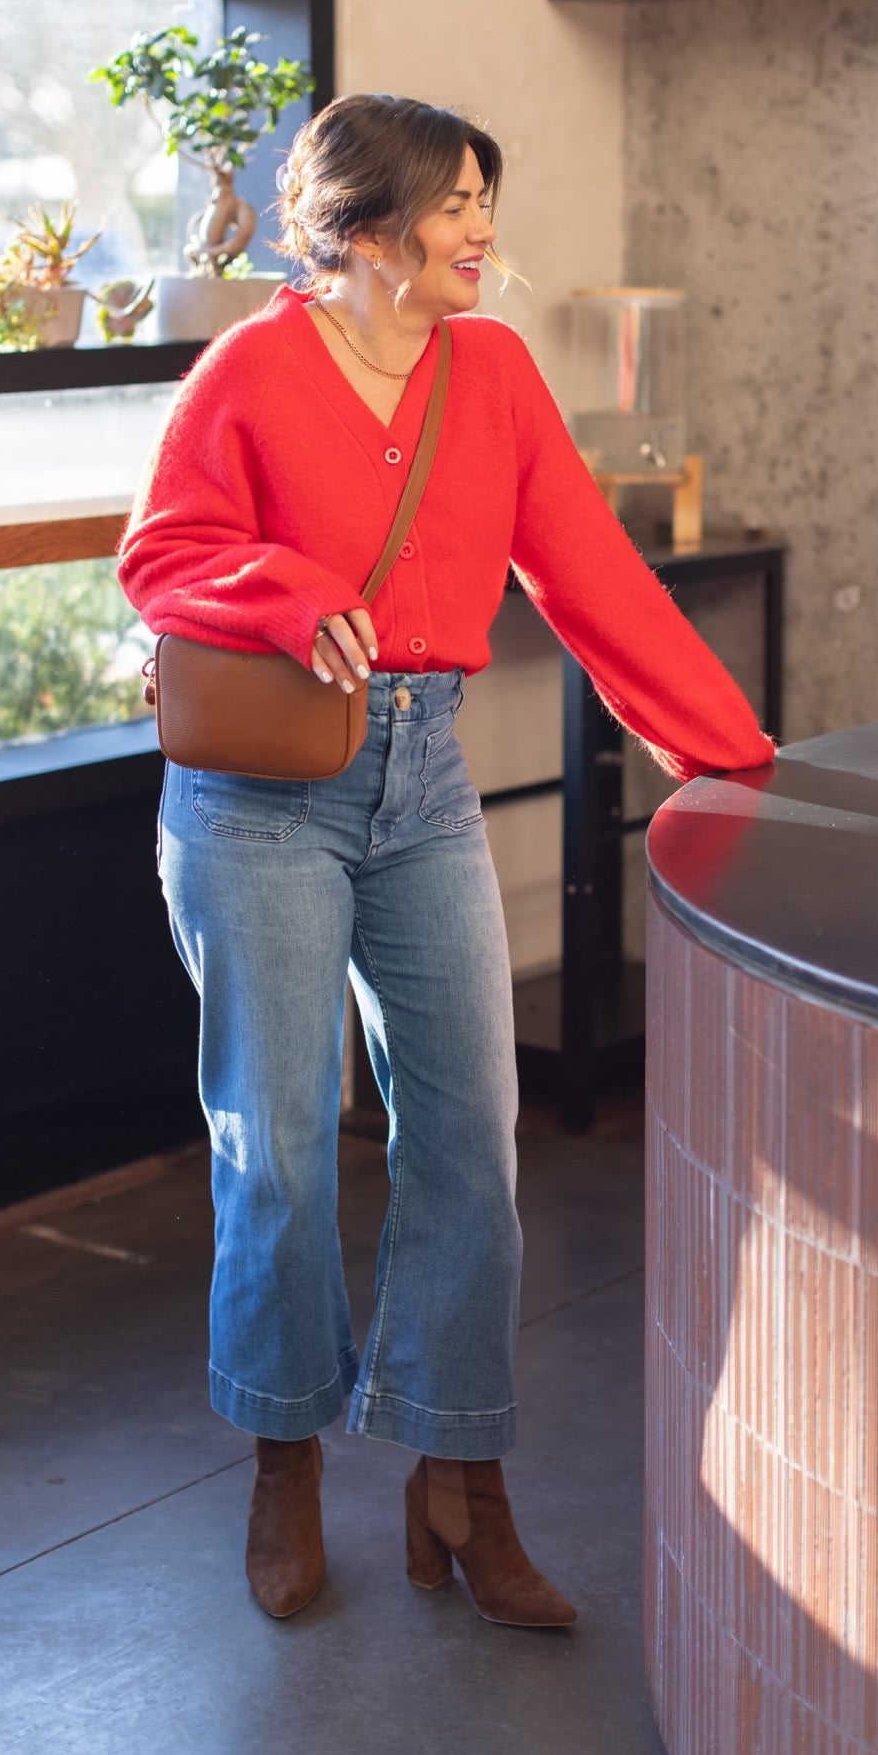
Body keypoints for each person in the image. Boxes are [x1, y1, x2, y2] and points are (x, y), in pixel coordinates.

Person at [117, 92, 774, 1628]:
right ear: (361, 227)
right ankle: (283, 1466)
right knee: (277, 1152)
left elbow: (592, 575)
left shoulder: (493, 373)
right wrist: (283, 585)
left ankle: (455, 1483)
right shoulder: (254, 368)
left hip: (419, 782)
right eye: (456, 201)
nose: (484, 227)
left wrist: (730, 752)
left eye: (487, 196)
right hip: (262, 797)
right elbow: (161, 555)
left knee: (472, 1143)